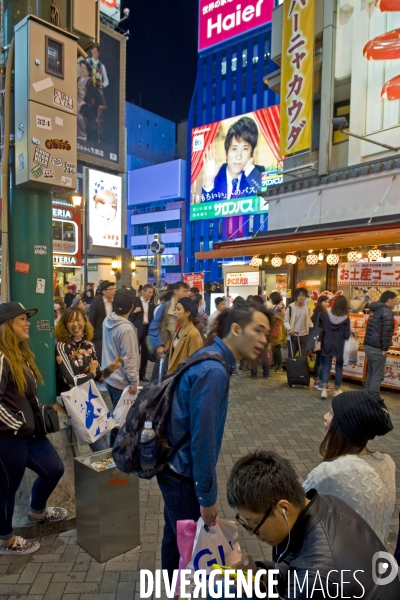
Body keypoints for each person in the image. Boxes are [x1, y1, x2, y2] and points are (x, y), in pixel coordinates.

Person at [157, 301, 272, 579]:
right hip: (182, 473)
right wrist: (207, 498)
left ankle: (171, 587)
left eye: (266, 333)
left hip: (173, 465)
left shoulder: (212, 357)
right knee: (187, 544)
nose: (263, 339)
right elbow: (203, 440)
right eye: (258, 330)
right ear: (235, 328)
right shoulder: (215, 371)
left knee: (175, 536)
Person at [226, 449, 400, 599]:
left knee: (224, 590)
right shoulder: (327, 503)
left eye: (253, 522)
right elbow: (295, 567)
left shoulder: (316, 576)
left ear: (283, 508)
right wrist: (260, 573)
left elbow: (307, 576)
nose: (250, 532)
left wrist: (251, 588)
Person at [0, 302, 67, 556]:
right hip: (10, 438)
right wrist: (17, 424)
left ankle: (37, 512)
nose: (27, 322)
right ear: (7, 326)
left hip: (30, 435)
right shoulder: (2, 357)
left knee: (54, 469)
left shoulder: (19, 353)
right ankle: (6, 540)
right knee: (7, 489)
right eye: (21, 319)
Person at [303, 390, 395, 545]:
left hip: (341, 565)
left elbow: (293, 509)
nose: (325, 416)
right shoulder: (388, 462)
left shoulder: (329, 472)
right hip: (379, 561)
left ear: (346, 427)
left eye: (331, 413)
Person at [55, 307, 122, 451]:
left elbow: (98, 376)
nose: (75, 324)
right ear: (64, 324)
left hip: (91, 398)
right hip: (75, 401)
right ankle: (103, 473)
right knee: (99, 446)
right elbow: (70, 381)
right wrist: (91, 374)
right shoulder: (62, 346)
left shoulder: (88, 345)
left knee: (104, 439)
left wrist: (111, 368)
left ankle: (106, 473)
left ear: (85, 321)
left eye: (78, 319)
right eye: (70, 321)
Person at [102, 289, 139, 447]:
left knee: (118, 418)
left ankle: (115, 453)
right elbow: (129, 357)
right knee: (123, 421)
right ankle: (116, 454)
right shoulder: (126, 329)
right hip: (123, 383)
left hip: (111, 378)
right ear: (131, 306)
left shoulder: (107, 320)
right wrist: (134, 381)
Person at [202, 117, 264, 201]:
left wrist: (249, 170)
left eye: (245, 149)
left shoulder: (257, 173)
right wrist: (209, 180)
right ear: (226, 153)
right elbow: (206, 212)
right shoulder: (216, 175)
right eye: (234, 149)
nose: (239, 156)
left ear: (251, 154)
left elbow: (269, 201)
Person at [148, 281, 190, 380]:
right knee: (160, 377)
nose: (186, 294)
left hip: (179, 348)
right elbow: (154, 327)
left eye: (187, 291)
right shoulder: (166, 307)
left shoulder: (185, 307)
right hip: (166, 348)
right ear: (175, 291)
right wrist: (158, 345)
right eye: (184, 291)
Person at [364, 290, 396, 392]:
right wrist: (385, 348)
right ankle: (372, 400)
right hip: (377, 347)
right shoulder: (387, 311)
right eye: (395, 300)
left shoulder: (376, 309)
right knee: (378, 375)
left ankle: (366, 396)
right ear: (389, 300)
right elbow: (387, 331)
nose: (396, 303)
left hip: (368, 345)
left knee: (371, 372)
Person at [320, 295, 350, 399]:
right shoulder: (346, 318)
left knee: (326, 366)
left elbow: (323, 328)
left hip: (327, 342)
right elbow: (346, 335)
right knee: (339, 368)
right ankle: (336, 390)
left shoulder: (327, 315)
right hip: (339, 344)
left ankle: (324, 390)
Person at [167, 298, 203, 376]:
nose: (175, 312)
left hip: (183, 378)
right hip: (174, 376)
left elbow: (194, 363)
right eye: (175, 309)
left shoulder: (193, 334)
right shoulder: (179, 330)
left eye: (178, 309)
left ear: (187, 313)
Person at [129, 284, 155, 383]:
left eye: (152, 292)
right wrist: (134, 311)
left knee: (145, 353)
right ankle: (132, 374)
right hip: (137, 329)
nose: (151, 294)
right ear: (143, 292)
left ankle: (142, 374)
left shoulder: (152, 305)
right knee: (134, 352)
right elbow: (129, 316)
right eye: (149, 292)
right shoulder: (135, 302)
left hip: (147, 329)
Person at [88, 280, 116, 362]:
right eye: (110, 289)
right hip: (99, 336)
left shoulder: (114, 303)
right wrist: (91, 338)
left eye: (114, 289)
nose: (113, 291)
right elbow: (91, 321)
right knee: (100, 358)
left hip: (111, 335)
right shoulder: (96, 303)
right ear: (104, 291)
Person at [77, 60, 103, 141]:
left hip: (85, 103)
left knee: (77, 113)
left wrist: (81, 103)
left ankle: (82, 134)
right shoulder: (78, 79)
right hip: (75, 99)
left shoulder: (90, 82)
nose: (82, 70)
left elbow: (90, 95)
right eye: (81, 67)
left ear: (88, 70)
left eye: (84, 68)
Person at [284, 287, 312, 357]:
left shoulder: (307, 308)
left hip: (305, 336)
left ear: (306, 297)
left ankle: (302, 368)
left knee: (303, 358)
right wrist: (289, 329)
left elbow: (310, 321)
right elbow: (285, 321)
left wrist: (311, 332)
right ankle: (291, 368)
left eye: (303, 295)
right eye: (299, 295)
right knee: (292, 357)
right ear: (296, 296)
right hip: (293, 336)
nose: (301, 297)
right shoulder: (290, 307)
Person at [247, 297, 270, 379]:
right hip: (265, 335)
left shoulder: (253, 312)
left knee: (255, 354)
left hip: (256, 335)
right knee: (264, 355)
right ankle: (266, 373)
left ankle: (254, 373)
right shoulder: (266, 312)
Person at [311, 295, 330, 390]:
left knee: (318, 360)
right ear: (321, 302)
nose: (327, 303)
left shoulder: (316, 312)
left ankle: (316, 380)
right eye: (325, 302)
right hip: (322, 339)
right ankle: (320, 382)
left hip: (316, 338)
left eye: (328, 302)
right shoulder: (322, 313)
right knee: (322, 361)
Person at [269, 291, 286, 373]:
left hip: (277, 329)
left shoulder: (278, 307)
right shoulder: (280, 305)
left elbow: (275, 317)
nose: (270, 300)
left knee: (276, 348)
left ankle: (279, 366)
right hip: (278, 328)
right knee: (275, 348)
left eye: (271, 298)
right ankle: (277, 365)